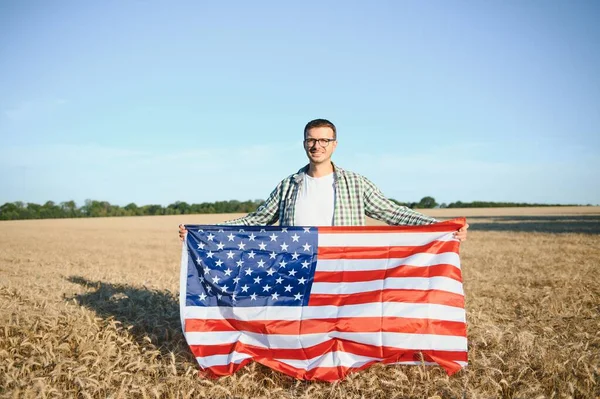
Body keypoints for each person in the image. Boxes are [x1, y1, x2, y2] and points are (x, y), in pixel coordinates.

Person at [179, 118, 468, 240]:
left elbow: (393, 213)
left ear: (334, 144)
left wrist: (443, 226)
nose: (317, 146)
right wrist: (203, 230)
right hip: (298, 262)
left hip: (343, 265)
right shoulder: (288, 185)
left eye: (324, 140)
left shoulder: (355, 183)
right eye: (311, 140)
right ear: (304, 144)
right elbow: (256, 220)